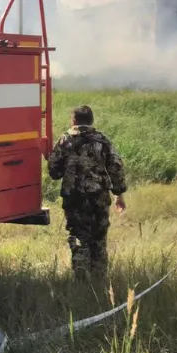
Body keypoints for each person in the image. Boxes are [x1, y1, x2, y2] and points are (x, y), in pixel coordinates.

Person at [48, 105, 128, 282]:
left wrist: (50, 157)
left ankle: (82, 280)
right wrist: (119, 193)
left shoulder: (65, 141)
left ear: (74, 121)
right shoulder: (103, 141)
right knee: (99, 238)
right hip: (99, 197)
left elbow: (54, 172)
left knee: (79, 236)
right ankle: (99, 281)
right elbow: (116, 167)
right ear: (91, 121)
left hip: (75, 198)